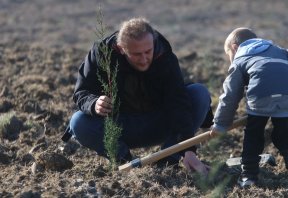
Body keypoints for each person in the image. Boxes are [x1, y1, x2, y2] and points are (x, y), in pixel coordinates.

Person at [63, 17, 212, 175]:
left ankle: (167, 161)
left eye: (148, 52)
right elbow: (81, 92)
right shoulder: (102, 53)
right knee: (78, 122)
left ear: (153, 43)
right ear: (121, 49)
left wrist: (188, 150)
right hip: (119, 126)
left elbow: (178, 102)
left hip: (159, 122)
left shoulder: (163, 55)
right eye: (136, 54)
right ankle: (125, 162)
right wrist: (94, 103)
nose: (144, 59)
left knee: (199, 94)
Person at [210, 27, 288, 187]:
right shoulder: (279, 50)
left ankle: (249, 176)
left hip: (261, 94)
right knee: (283, 134)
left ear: (235, 48)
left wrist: (220, 124)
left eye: (229, 55)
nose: (231, 59)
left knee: (254, 134)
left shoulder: (240, 58)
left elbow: (230, 95)